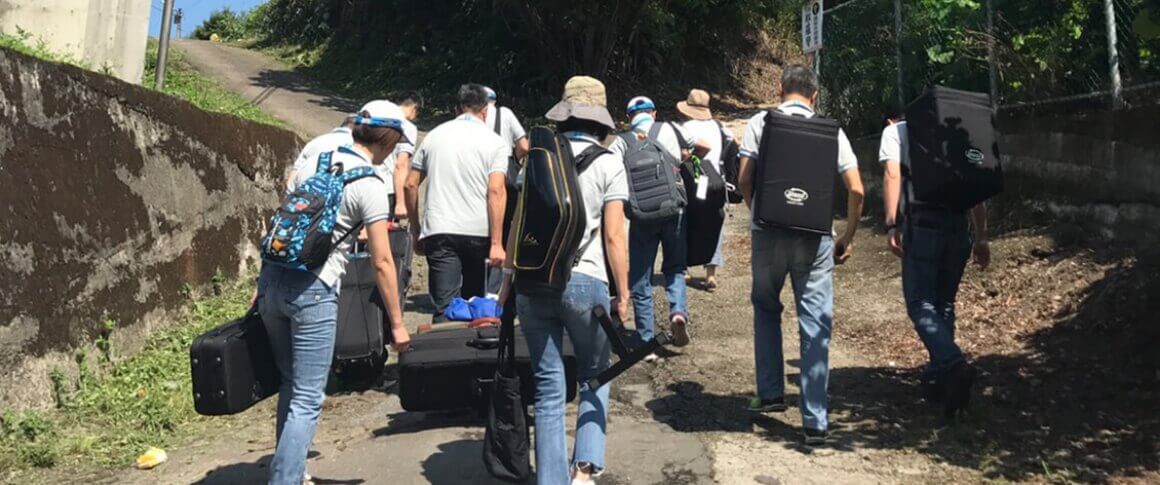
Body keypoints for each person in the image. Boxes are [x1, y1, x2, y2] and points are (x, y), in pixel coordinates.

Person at [259, 100, 412, 484]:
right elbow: (382, 261)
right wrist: (397, 324)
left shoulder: (315, 159)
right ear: (388, 140)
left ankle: (293, 472)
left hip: (272, 283)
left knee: (291, 383)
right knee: (309, 397)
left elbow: (286, 221)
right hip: (313, 291)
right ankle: (285, 480)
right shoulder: (369, 183)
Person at [500, 75, 630, 485]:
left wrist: (506, 282)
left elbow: (518, 225)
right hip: (586, 281)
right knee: (596, 373)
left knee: (548, 386)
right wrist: (623, 293)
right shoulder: (609, 162)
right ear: (599, 119)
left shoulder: (537, 159)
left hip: (533, 281)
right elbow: (614, 236)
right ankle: (585, 468)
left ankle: (551, 479)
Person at [737, 65, 864, 445]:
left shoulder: (760, 123)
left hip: (768, 233)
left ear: (779, 89)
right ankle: (815, 422)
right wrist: (847, 236)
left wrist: (757, 212)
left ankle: (771, 394)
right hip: (816, 237)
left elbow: (744, 178)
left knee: (765, 308)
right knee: (814, 323)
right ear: (815, 96)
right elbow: (857, 189)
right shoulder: (831, 130)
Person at [879, 102, 989, 418]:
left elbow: (892, 174)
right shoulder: (957, 135)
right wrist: (981, 235)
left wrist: (891, 223)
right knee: (945, 304)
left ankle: (953, 365)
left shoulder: (896, 132)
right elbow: (974, 187)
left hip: (923, 224)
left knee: (920, 303)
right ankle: (942, 381)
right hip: (958, 226)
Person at [609, 96, 708, 360]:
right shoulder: (672, 129)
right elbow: (703, 147)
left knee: (641, 277)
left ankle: (646, 343)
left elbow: (613, 173)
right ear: (653, 113)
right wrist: (685, 159)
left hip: (642, 216)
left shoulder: (621, 141)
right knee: (674, 267)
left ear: (629, 117)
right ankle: (678, 312)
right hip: (673, 209)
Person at [404, 84, 509, 322]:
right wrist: (497, 243)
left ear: (456, 109)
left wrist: (416, 229)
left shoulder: (434, 136)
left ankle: (443, 340)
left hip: (439, 230)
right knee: (477, 306)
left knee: (445, 307)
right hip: (479, 232)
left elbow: (410, 184)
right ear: (485, 111)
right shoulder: (495, 142)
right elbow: (496, 190)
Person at [677, 88, 733, 291]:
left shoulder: (684, 128)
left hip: (692, 183)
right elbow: (733, 145)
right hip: (716, 183)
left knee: (685, 222)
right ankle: (711, 274)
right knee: (714, 225)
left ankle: (683, 268)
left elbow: (681, 155)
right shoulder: (720, 126)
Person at [378, 92, 423, 219]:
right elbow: (400, 165)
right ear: (414, 108)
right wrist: (401, 202)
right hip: (385, 189)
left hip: (359, 182)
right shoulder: (407, 127)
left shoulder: (374, 117)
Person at [285, 116, 356, 192]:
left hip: (303, 193)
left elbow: (294, 173)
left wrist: (290, 193)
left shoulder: (316, 141)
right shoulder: (356, 146)